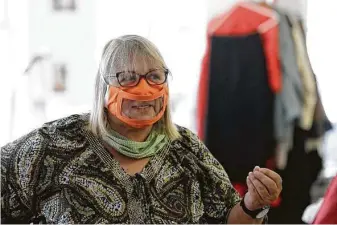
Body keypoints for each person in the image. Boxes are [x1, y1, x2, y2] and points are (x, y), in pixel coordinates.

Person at [1, 35, 282, 224]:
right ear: (104, 87)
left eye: (154, 76)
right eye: (127, 77)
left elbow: (227, 219)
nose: (143, 89)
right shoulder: (55, 144)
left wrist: (252, 203)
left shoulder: (187, 149)